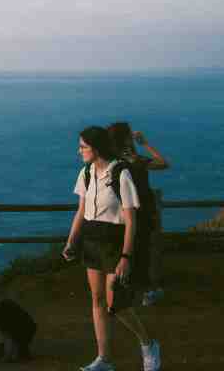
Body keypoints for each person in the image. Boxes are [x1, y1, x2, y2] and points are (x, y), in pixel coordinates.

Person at [63, 126, 161, 371]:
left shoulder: (120, 173)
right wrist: (71, 241)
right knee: (96, 300)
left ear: (96, 148)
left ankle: (148, 343)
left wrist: (126, 256)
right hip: (91, 239)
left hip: (114, 242)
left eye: (83, 147)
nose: (79, 151)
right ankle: (104, 359)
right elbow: (80, 211)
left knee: (115, 303)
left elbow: (131, 220)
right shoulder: (85, 173)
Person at [107, 122, 170, 306]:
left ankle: (123, 289)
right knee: (142, 253)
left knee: (124, 252)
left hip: (119, 213)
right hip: (142, 212)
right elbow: (164, 163)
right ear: (126, 138)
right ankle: (146, 293)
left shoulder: (112, 159)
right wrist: (145, 143)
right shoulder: (134, 159)